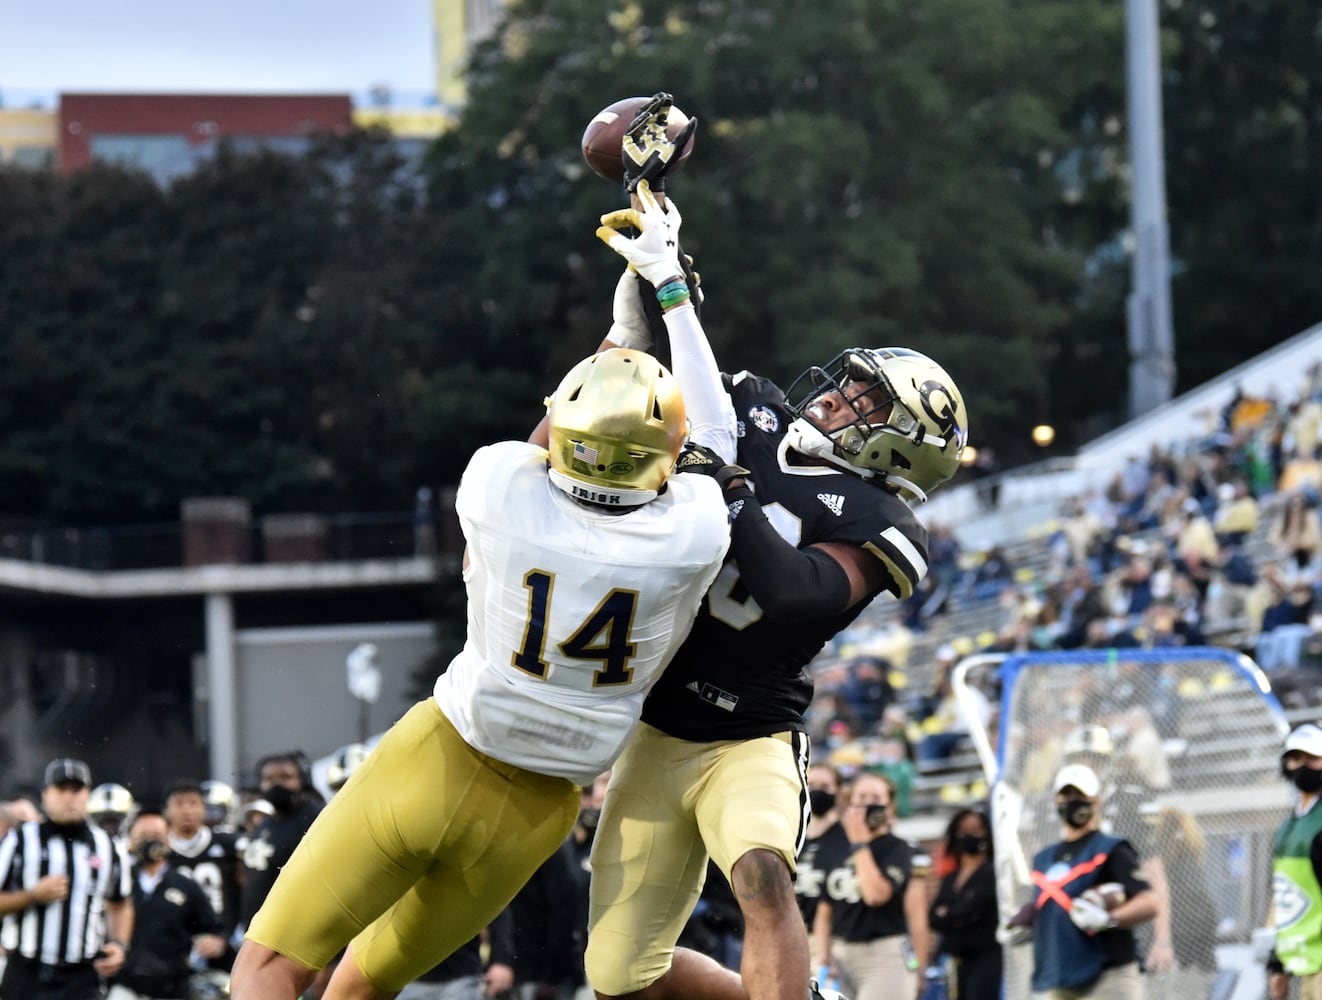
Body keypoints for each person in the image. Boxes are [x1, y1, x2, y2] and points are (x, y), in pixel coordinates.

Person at [228, 185, 736, 1000]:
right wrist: (672, 294)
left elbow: (547, 441)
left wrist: (619, 334)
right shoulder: (690, 537)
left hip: (441, 755)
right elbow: (715, 437)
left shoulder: (501, 491)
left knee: (273, 966)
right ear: (663, 461)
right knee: (361, 984)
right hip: (541, 814)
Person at [577, 110, 968, 1000]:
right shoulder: (747, 409)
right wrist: (643, 316)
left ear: (903, 444)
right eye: (850, 382)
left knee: (759, 874)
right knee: (618, 976)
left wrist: (727, 486)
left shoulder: (883, 521)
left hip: (750, 732)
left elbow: (794, 594)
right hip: (655, 725)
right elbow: (607, 423)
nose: (837, 397)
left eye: (866, 398)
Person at [0, 757, 134, 1000]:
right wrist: (32, 896)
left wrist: (119, 944)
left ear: (87, 795)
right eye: (62, 789)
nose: (70, 797)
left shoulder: (108, 846)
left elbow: (120, 903)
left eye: (77, 789)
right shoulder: (19, 841)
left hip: (82, 976)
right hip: (27, 972)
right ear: (45, 795)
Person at [1023, 764, 1157, 1000]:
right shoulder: (1044, 859)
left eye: (1080, 795)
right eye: (1066, 795)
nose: (1073, 801)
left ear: (1096, 801)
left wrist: (1110, 918)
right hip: (1062, 977)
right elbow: (1050, 910)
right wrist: (1025, 924)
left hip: (1109, 974)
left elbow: (1149, 902)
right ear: (1056, 801)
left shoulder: (1111, 849)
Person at [812, 772, 931, 1000]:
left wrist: (859, 842)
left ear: (890, 807)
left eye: (875, 799)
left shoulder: (899, 849)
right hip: (842, 954)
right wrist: (824, 954)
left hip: (884, 957)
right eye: (861, 797)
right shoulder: (833, 846)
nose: (867, 805)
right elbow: (824, 909)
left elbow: (875, 895)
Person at [107, 809, 226, 1000]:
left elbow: (213, 929)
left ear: (168, 841)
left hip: (172, 988)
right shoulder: (117, 882)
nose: (150, 842)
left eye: (156, 836)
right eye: (143, 836)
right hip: (124, 984)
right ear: (130, 841)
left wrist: (216, 943)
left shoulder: (186, 886)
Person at [236, 752, 323, 941]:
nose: (277, 784)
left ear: (302, 780)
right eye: (269, 779)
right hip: (261, 932)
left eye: (286, 777)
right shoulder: (265, 824)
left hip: (297, 933)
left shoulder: (316, 819)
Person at [1266, 723, 1322, 1000]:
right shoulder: (1288, 826)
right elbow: (1284, 895)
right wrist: (1277, 963)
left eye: (1313, 758)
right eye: (1296, 758)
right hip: (1300, 958)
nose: (1303, 766)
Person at [164, 779, 243, 970]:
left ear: (203, 808)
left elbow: (244, 894)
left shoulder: (228, 846)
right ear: (167, 810)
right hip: (175, 948)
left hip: (225, 942)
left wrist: (225, 937)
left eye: (193, 803)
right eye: (179, 804)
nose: (186, 811)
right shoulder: (161, 852)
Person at [927, 809, 1000, 1000]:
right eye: (964, 830)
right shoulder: (950, 878)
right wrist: (953, 913)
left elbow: (967, 909)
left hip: (985, 960)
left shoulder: (992, 873)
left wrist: (949, 912)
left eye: (976, 829)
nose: (969, 835)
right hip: (956, 960)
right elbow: (934, 917)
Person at [795, 763, 848, 930]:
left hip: (834, 935)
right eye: (812, 785)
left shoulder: (848, 838)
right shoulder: (790, 838)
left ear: (838, 793)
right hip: (794, 934)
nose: (817, 791)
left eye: (825, 786)